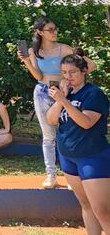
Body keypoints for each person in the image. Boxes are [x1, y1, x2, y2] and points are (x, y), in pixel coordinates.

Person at [17, 16, 97, 188]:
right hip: (42, 91)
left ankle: (71, 176)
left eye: (55, 29)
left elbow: (90, 66)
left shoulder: (64, 49)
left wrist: (68, 80)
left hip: (62, 92)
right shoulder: (33, 51)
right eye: (50, 30)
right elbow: (38, 76)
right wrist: (26, 61)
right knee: (48, 136)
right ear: (40, 32)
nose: (54, 32)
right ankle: (51, 175)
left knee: (67, 133)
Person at [47, 53, 110, 234]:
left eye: (73, 72)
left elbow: (86, 122)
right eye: (64, 73)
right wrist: (62, 99)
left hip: (93, 156)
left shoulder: (94, 94)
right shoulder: (65, 94)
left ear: (84, 71)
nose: (68, 77)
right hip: (68, 156)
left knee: (103, 211)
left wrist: (63, 101)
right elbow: (51, 119)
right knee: (87, 205)